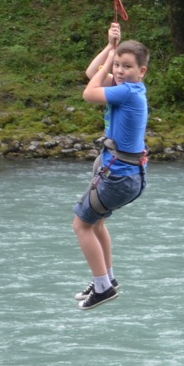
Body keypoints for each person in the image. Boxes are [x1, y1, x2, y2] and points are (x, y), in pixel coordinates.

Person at [72, 22, 149, 310]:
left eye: (126, 66)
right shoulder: (128, 89)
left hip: (118, 177)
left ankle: (103, 287)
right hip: (128, 176)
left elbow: (88, 92)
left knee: (81, 225)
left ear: (141, 72)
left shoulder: (128, 91)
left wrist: (109, 63)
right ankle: (108, 279)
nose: (118, 70)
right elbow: (92, 74)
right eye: (117, 65)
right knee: (97, 223)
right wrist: (109, 48)